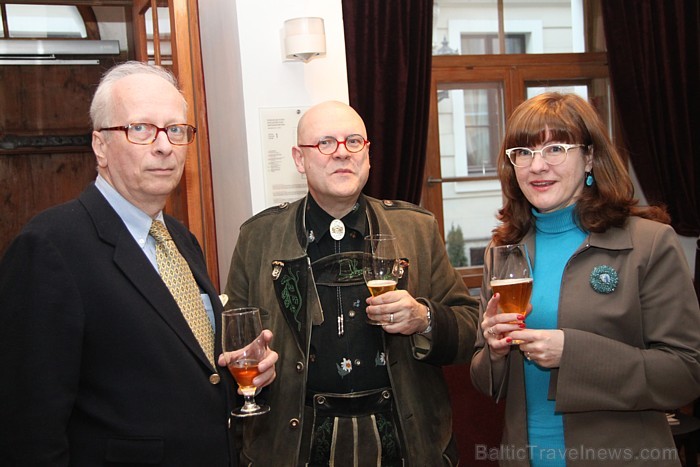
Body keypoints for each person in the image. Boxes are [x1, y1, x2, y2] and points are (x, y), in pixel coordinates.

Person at [0, 61, 277, 466]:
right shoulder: (49, 247)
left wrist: (243, 379)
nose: (164, 146)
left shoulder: (181, 239)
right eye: (141, 129)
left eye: (176, 130)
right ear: (100, 145)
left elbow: (188, 369)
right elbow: (27, 430)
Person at [224, 100, 479, 465]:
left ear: (368, 155)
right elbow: (233, 344)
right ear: (300, 159)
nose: (342, 154)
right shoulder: (258, 238)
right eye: (325, 143)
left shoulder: (417, 229)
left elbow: (470, 330)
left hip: (406, 444)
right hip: (294, 447)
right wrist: (248, 367)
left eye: (353, 142)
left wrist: (424, 318)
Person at [470, 92, 700, 466]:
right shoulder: (504, 251)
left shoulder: (648, 243)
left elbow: (686, 374)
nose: (537, 166)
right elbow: (487, 383)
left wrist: (571, 354)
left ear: (590, 158)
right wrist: (494, 352)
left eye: (555, 149)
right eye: (523, 153)